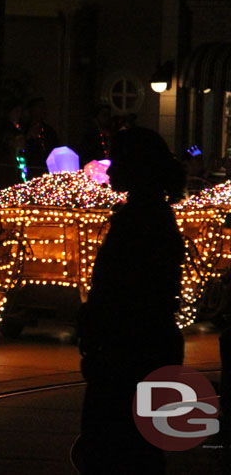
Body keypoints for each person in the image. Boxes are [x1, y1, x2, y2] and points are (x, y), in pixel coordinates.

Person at [76, 127, 186, 474]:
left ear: (136, 167)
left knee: (116, 446)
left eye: (118, 161)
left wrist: (94, 333)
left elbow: (118, 290)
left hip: (127, 351)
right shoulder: (157, 217)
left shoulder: (137, 222)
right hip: (149, 347)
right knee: (142, 449)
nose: (109, 171)